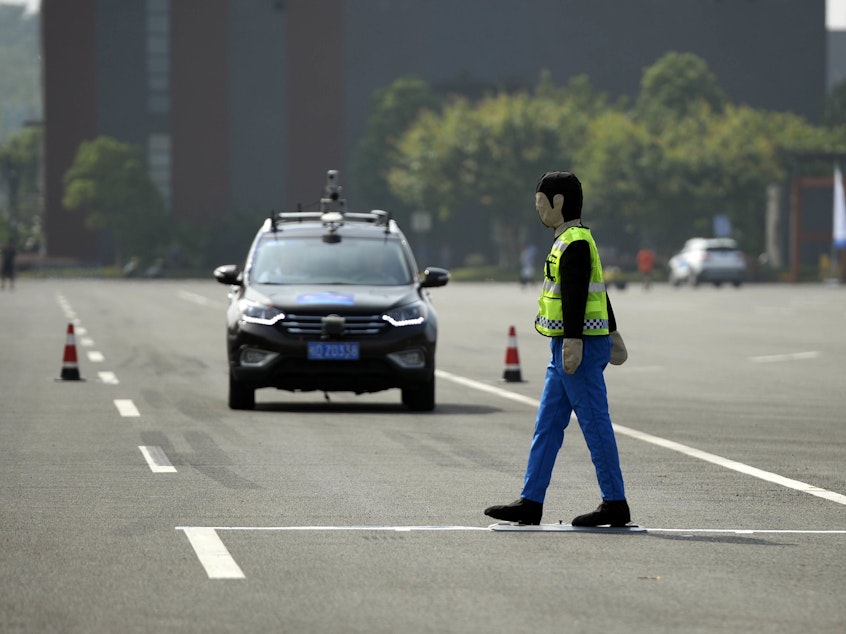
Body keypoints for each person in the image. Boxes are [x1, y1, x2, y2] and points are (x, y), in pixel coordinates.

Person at [484, 171, 631, 527]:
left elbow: (580, 293)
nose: (538, 211)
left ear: (558, 203)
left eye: (540, 204)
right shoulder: (567, 239)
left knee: (595, 424)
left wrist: (575, 340)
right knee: (547, 425)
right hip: (565, 347)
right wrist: (612, 331)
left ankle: (615, 503)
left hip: (576, 348)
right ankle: (530, 501)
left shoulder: (575, 241)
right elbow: (597, 290)